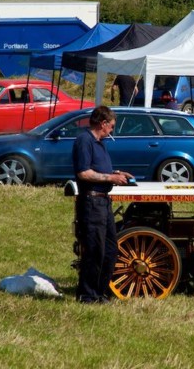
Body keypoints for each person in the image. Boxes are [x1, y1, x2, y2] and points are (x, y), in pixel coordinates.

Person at [72, 105, 134, 303]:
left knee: (110, 250)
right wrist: (109, 178)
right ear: (103, 123)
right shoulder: (85, 141)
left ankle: (100, 292)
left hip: (104, 202)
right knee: (94, 250)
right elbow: (84, 172)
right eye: (112, 126)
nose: (112, 130)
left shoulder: (100, 143)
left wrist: (116, 173)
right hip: (91, 202)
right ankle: (87, 295)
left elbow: (99, 168)